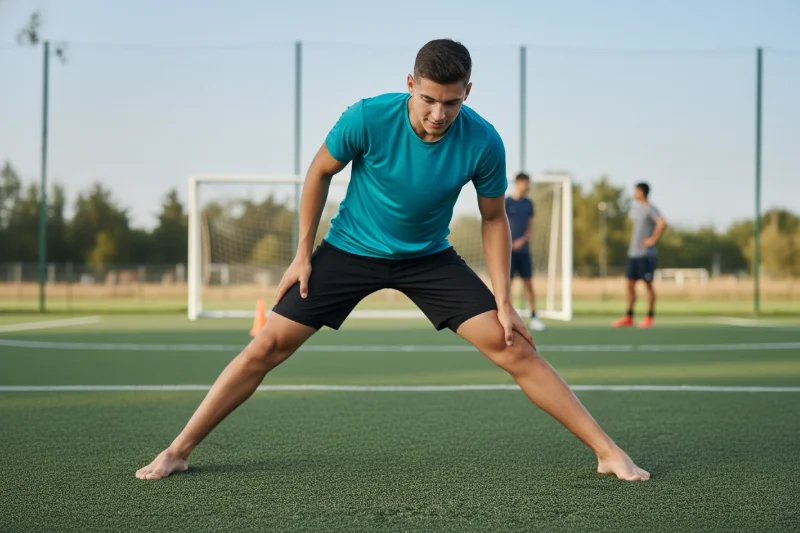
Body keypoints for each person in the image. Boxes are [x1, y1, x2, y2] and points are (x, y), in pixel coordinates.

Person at [136, 39, 649, 482]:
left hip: (429, 258)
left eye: (451, 102)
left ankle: (608, 453)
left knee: (513, 346)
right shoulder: (367, 117)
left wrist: (504, 300)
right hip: (349, 250)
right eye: (428, 98)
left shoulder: (484, 141)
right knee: (266, 345)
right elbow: (319, 173)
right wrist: (302, 256)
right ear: (410, 84)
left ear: (467, 92)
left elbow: (494, 220)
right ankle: (178, 451)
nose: (438, 114)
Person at [612, 182, 667, 328]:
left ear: (642, 192)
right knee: (630, 285)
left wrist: (652, 239)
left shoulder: (650, 208)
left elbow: (662, 223)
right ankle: (629, 316)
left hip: (645, 254)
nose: (634, 193)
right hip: (633, 253)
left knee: (648, 285)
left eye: (636, 191)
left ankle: (650, 317)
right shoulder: (637, 210)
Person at [505, 172, 546, 331]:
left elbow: (530, 226)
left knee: (529, 283)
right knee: (508, 284)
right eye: (526, 183)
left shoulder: (529, 204)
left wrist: (522, 241)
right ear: (519, 183)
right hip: (509, 251)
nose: (528, 186)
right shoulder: (507, 202)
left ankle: (534, 317)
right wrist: (509, 242)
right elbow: (500, 224)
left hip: (524, 251)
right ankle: (508, 315)